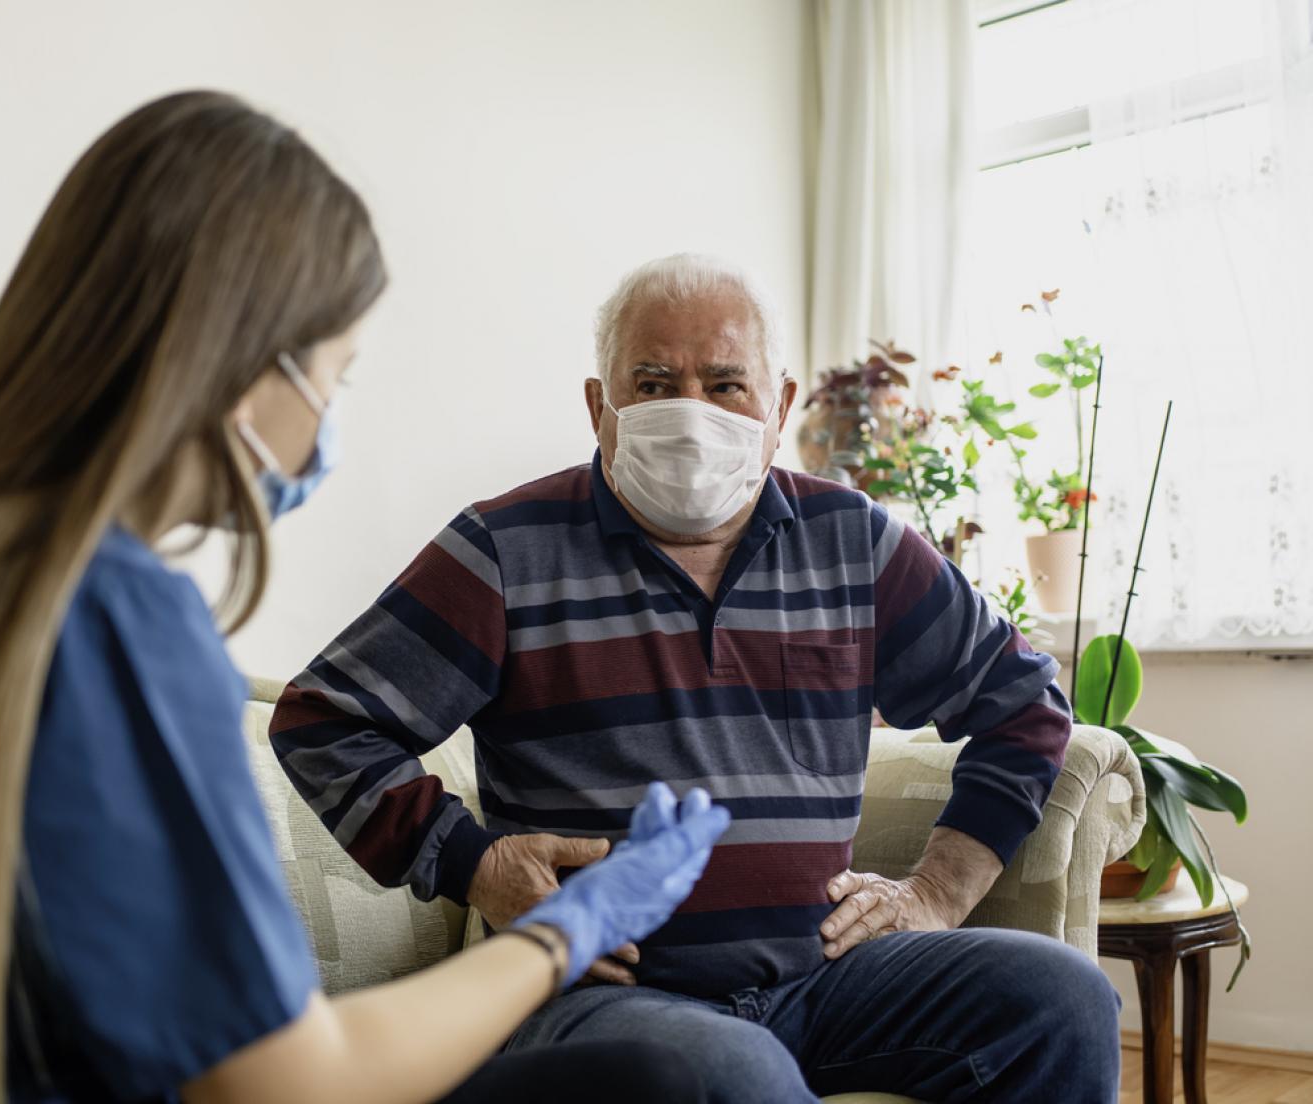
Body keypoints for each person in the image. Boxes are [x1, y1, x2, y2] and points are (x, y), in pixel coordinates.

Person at [0, 93, 729, 1104]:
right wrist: (568, 930)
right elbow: (282, 1082)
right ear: (248, 365)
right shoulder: (104, 617)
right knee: (670, 1083)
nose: (325, 427)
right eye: (332, 378)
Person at [271, 254, 1125, 1103]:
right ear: (599, 408)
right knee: (731, 1073)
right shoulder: (504, 549)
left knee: (1061, 1001)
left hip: (823, 980)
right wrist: (475, 862)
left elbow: (1023, 699)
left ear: (779, 407)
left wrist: (936, 893)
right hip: (609, 1001)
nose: (689, 411)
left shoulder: (851, 540)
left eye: (725, 385)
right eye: (652, 382)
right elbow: (322, 720)